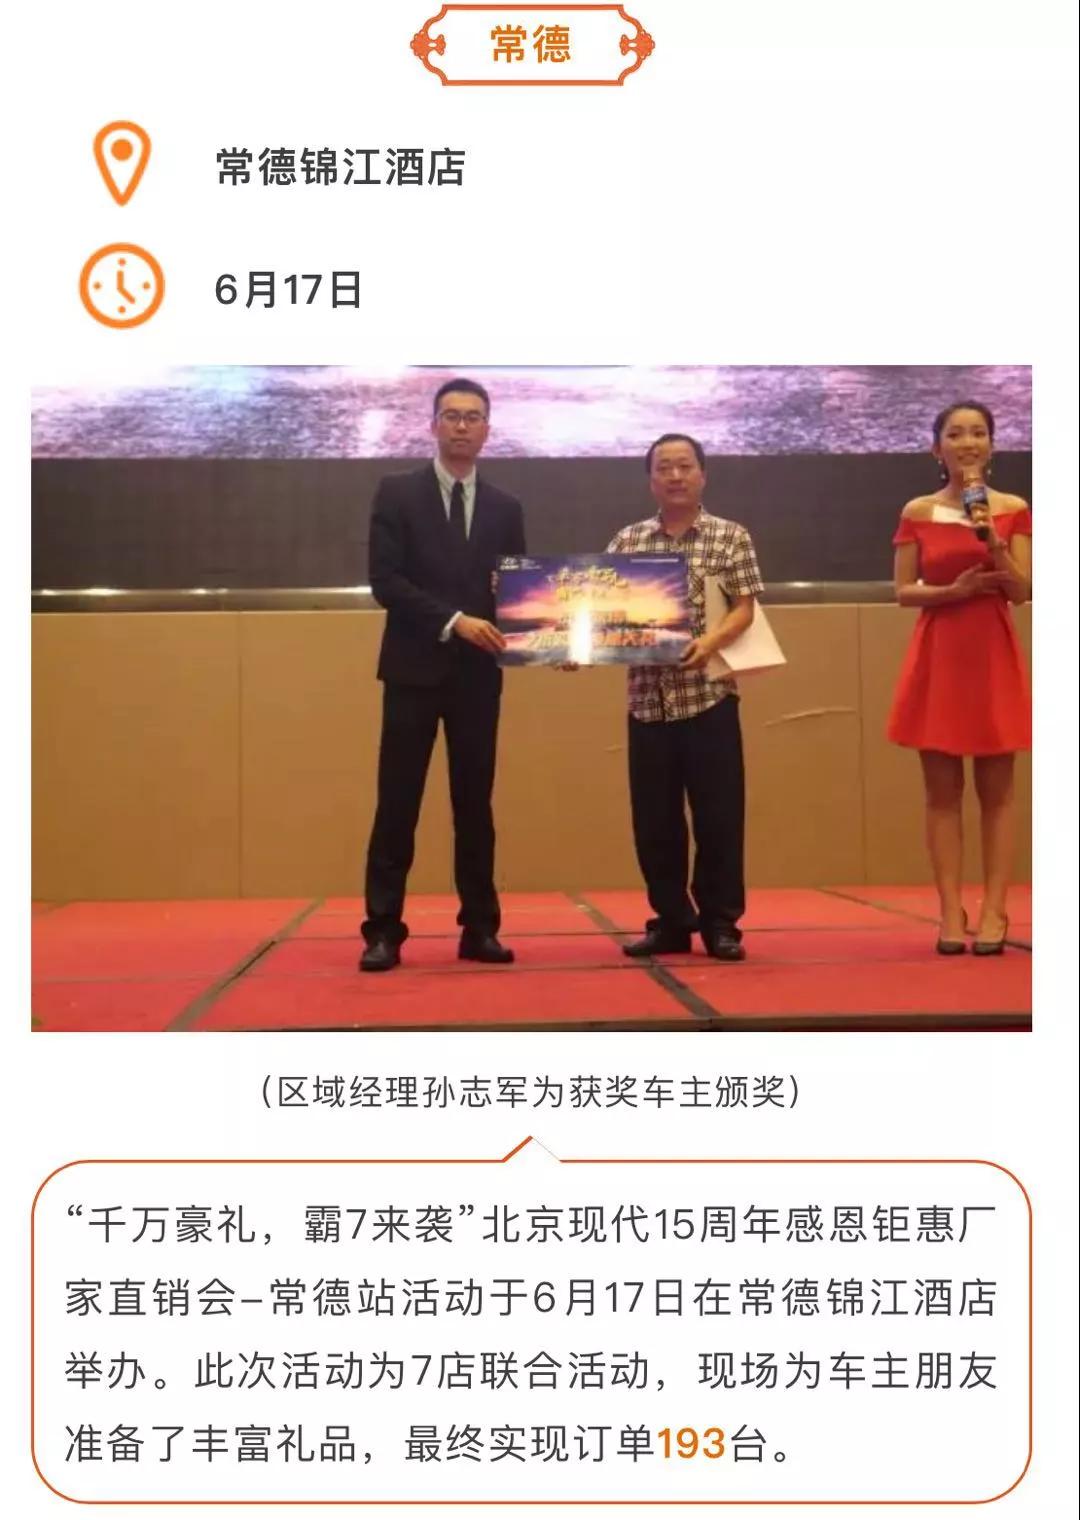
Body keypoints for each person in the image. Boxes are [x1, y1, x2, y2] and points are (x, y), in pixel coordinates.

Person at [360, 379, 526, 971]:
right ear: (433, 425)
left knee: (474, 805)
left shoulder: (506, 507)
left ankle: (479, 928)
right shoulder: (397, 492)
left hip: (478, 679)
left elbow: (516, 594)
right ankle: (383, 930)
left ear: (487, 430)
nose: (461, 426)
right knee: (397, 802)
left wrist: (553, 637)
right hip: (412, 671)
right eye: (451, 415)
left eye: (472, 417)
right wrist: (455, 621)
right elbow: (386, 581)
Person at [606, 433, 764, 960]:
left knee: (719, 818)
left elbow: (744, 607)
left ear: (703, 474)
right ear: (650, 480)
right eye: (664, 468)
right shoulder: (628, 541)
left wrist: (711, 642)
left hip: (709, 697)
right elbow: (599, 613)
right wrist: (573, 644)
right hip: (647, 702)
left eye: (684, 466)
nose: (675, 476)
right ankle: (671, 921)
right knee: (654, 823)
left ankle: (721, 923)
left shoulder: (729, 536)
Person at [887, 401, 1032, 955]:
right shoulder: (918, 510)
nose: (967, 442)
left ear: (991, 446)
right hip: (940, 651)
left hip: (991, 649)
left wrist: (991, 539)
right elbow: (904, 591)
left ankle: (996, 908)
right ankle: (950, 909)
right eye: (955, 434)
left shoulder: (1012, 508)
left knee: (998, 793)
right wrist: (952, 591)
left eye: (978, 433)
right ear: (937, 448)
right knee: (942, 792)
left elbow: (1022, 590)